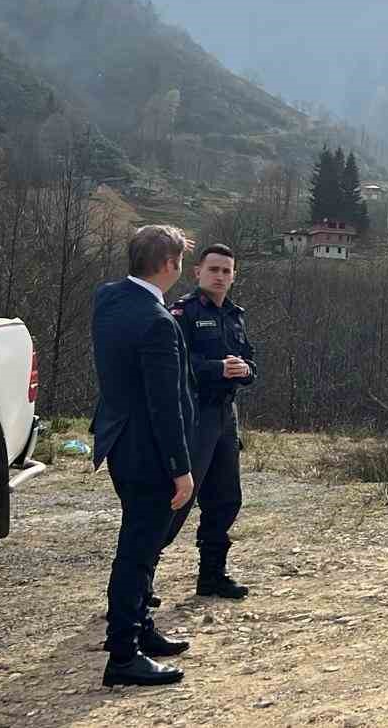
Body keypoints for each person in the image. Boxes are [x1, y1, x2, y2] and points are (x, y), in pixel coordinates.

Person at [90, 225, 197, 687]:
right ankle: (123, 654)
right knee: (137, 549)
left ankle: (143, 628)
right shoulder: (158, 321)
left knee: (144, 543)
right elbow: (165, 404)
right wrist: (181, 468)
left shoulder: (108, 298)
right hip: (149, 451)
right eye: (180, 261)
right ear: (170, 264)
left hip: (117, 438)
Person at [165, 243, 256, 599]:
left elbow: (251, 363)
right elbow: (174, 368)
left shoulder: (235, 315)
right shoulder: (182, 313)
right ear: (197, 272)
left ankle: (212, 576)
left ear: (234, 276)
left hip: (225, 415)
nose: (220, 276)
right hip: (194, 414)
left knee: (226, 498)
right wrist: (217, 368)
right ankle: (141, 583)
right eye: (213, 269)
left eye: (226, 271)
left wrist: (244, 370)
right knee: (177, 499)